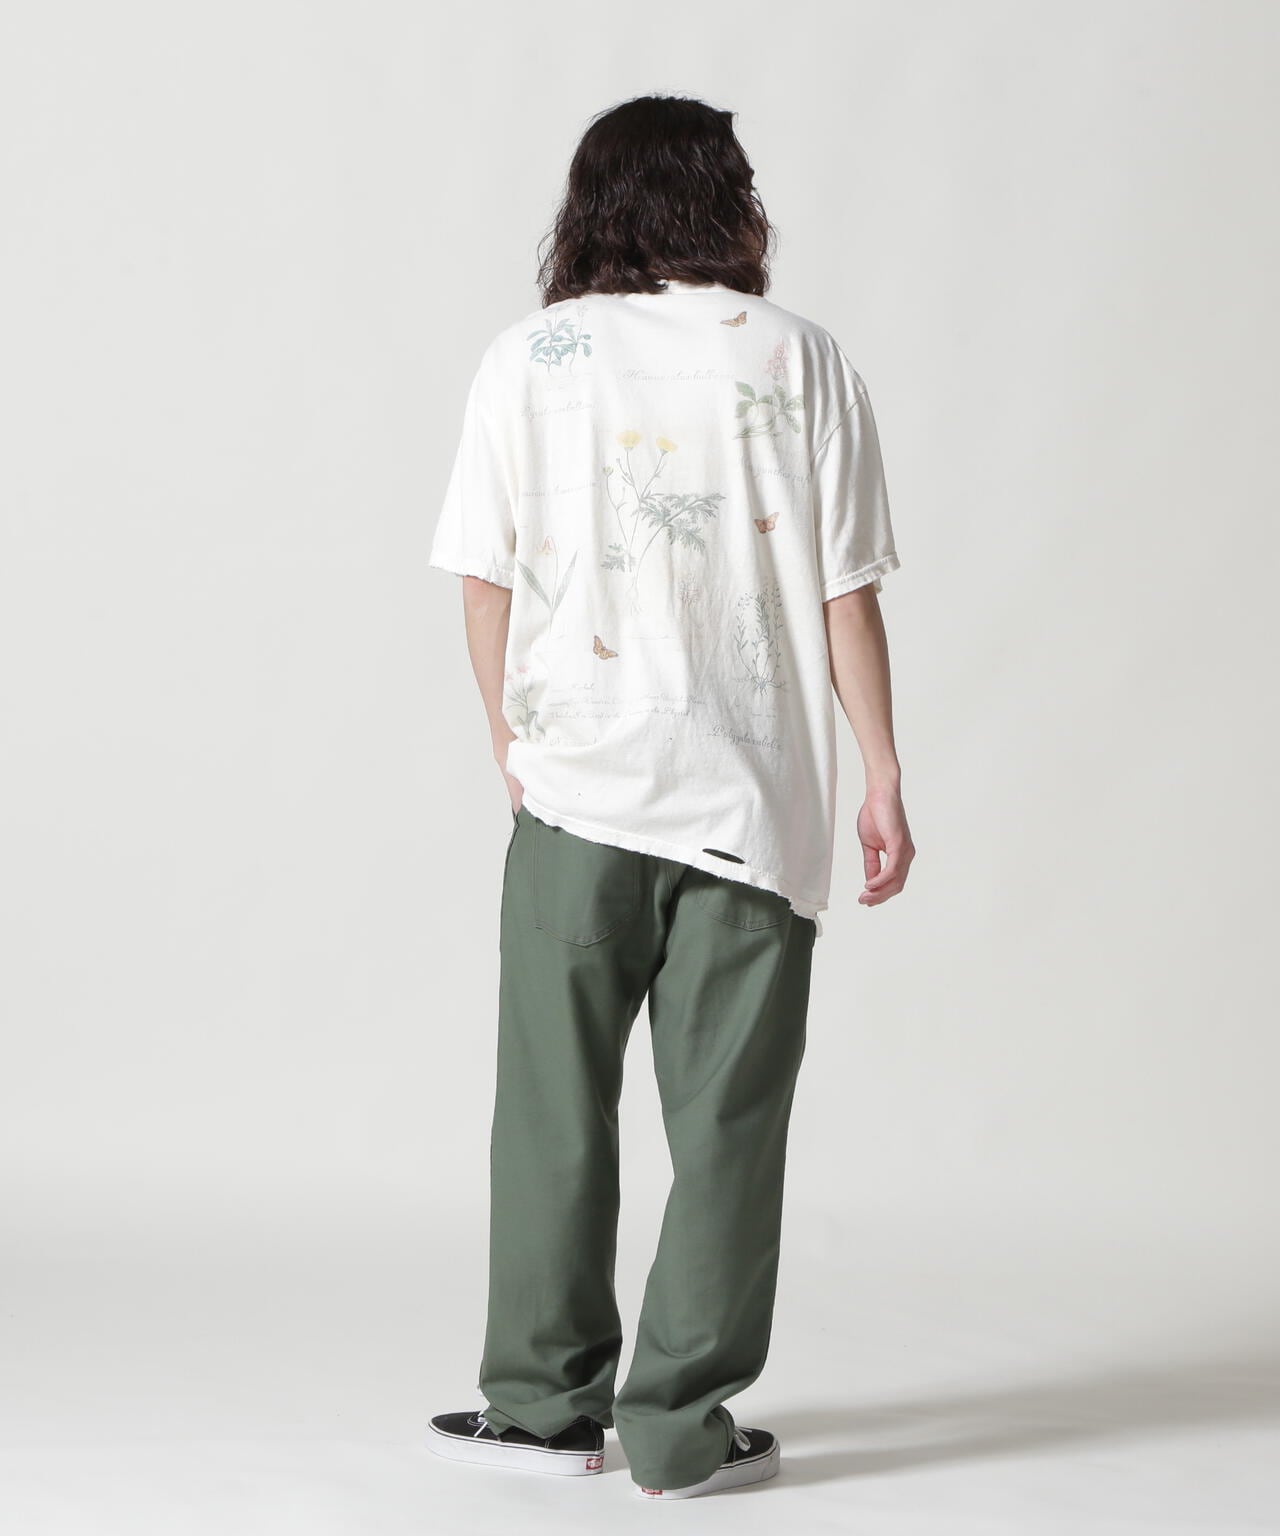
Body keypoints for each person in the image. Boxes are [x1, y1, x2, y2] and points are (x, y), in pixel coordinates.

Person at [425, 93, 914, 1502]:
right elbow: (845, 590)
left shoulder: (529, 358)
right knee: (730, 1130)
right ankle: (682, 1433)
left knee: (550, 1115)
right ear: (727, 200)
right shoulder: (801, 355)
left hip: (574, 801)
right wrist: (882, 770)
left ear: (591, 205)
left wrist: (510, 744)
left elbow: (485, 581)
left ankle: (542, 1411)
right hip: (753, 810)